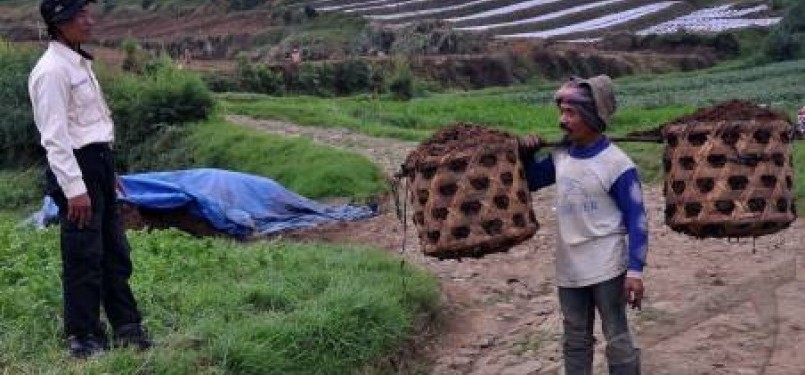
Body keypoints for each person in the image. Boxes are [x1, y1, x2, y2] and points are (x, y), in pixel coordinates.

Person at [28, 0, 151, 358]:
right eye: (81, 16)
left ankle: (127, 326)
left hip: (98, 164)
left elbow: (93, 125)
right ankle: (84, 337)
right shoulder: (51, 70)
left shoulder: (79, 62)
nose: (90, 21)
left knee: (115, 250)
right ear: (60, 22)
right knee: (84, 255)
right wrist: (74, 189)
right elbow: (54, 137)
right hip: (76, 169)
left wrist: (107, 172)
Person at [518, 75, 646, 374]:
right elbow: (533, 181)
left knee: (616, 335)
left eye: (571, 113)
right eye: (561, 112)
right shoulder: (561, 157)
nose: (563, 120)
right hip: (569, 266)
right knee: (575, 338)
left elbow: (637, 219)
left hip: (607, 265)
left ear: (592, 116)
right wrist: (526, 155)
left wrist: (636, 271)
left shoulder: (617, 164)